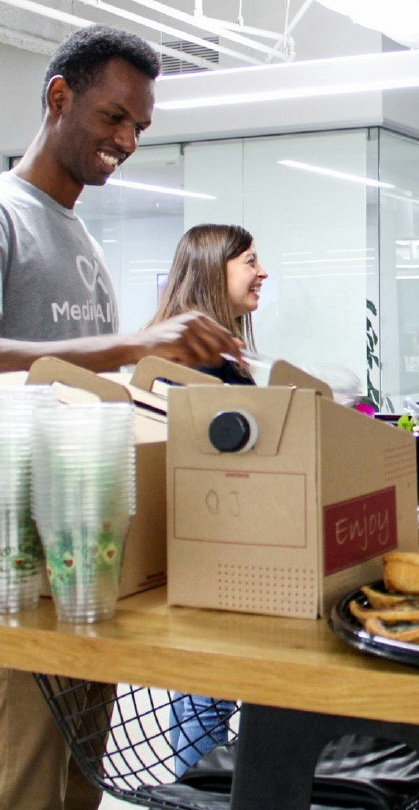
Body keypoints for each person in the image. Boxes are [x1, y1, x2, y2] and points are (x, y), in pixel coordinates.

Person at [0, 24, 244, 810]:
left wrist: (172, 376)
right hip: (14, 543)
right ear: (59, 98)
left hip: (85, 540)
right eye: (113, 117)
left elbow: (87, 385)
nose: (126, 140)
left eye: (139, 127)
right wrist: (132, 340)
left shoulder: (82, 238)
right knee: (24, 782)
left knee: (78, 787)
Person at [145, 223, 268, 775]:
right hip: (209, 556)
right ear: (213, 272)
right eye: (249, 260)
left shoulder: (221, 356)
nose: (262, 272)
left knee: (210, 696)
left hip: (230, 551)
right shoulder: (188, 362)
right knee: (204, 699)